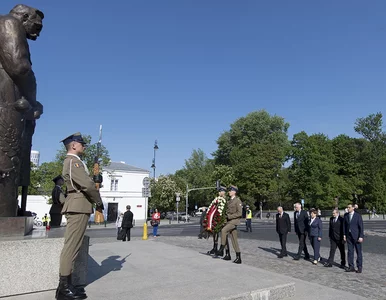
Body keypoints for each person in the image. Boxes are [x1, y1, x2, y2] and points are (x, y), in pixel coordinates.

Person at [56, 132, 104, 300]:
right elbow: (86, 185)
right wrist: (98, 200)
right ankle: (63, 288)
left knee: (74, 247)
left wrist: (95, 179)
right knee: (71, 247)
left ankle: (68, 285)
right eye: (82, 143)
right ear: (74, 145)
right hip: (78, 206)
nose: (84, 146)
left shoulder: (75, 162)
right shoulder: (73, 162)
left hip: (79, 205)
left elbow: (86, 182)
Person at [215, 185, 242, 264]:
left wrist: (230, 216)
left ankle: (221, 248)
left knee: (224, 231)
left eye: (230, 191)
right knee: (234, 240)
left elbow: (239, 213)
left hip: (234, 221)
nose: (229, 192)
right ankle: (238, 257)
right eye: (229, 191)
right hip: (228, 221)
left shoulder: (237, 201)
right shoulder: (229, 201)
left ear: (234, 192)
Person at [204, 186, 228, 256]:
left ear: (223, 192)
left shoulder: (224, 200)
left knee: (224, 236)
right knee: (215, 234)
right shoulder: (217, 199)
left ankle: (224, 251)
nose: (219, 193)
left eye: (220, 191)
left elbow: (224, 211)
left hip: (222, 220)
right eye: (219, 191)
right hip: (216, 219)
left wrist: (220, 217)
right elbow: (212, 208)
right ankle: (215, 248)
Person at [344, 204, 364, 273]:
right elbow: (344, 226)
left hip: (357, 236)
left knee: (358, 252)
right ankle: (351, 266)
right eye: (347, 207)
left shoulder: (357, 216)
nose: (348, 208)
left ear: (353, 208)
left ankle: (359, 267)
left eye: (349, 207)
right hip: (349, 236)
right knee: (350, 252)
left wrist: (361, 236)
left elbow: (361, 226)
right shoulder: (346, 215)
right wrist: (344, 235)